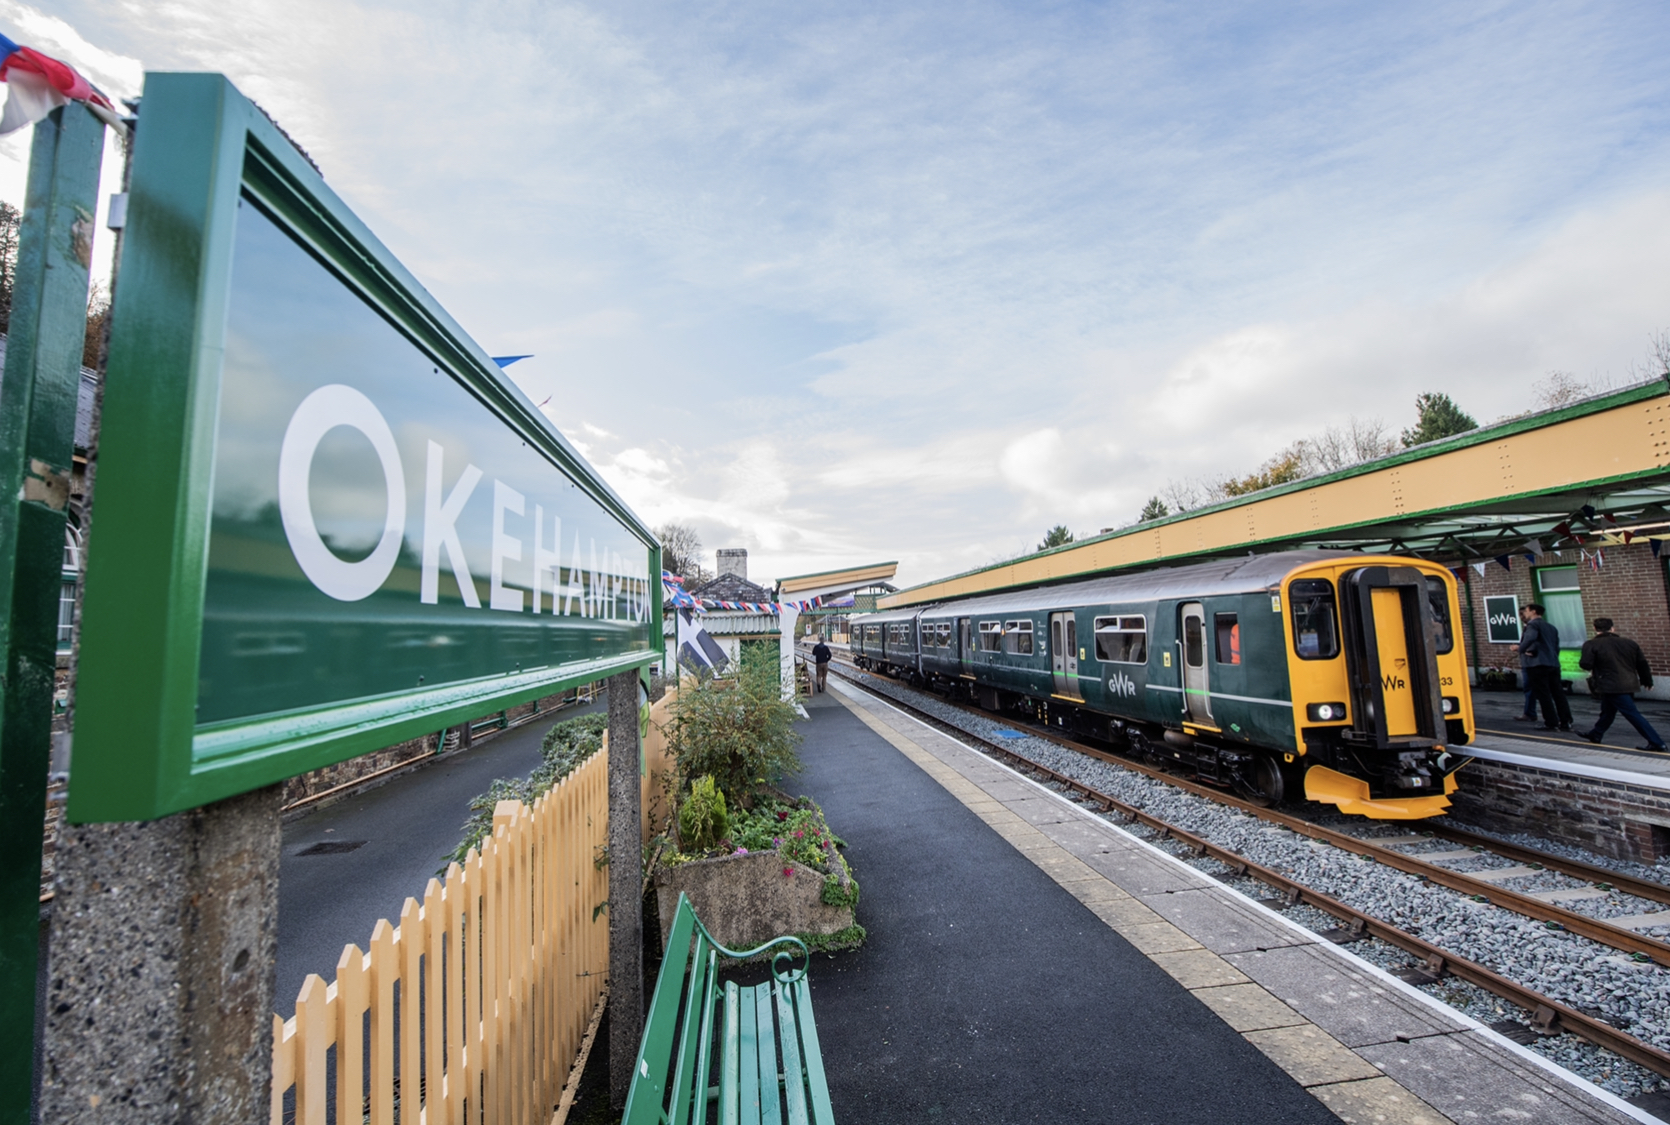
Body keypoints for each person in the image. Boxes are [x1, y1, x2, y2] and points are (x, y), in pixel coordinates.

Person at [1579, 618, 1667, 751]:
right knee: (1607, 711)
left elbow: (1586, 664)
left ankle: (1656, 742)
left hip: (1609, 684)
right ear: (1612, 628)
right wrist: (1647, 681)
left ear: (1595, 629)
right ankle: (1596, 734)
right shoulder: (1629, 643)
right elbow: (1642, 664)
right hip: (1629, 682)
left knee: (1632, 714)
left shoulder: (1592, 644)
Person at [1518, 603, 1572, 731]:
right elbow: (1555, 646)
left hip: (1537, 664)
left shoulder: (1533, 625)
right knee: (1558, 693)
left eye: (1526, 611)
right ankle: (1565, 720)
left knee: (1543, 694)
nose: (1525, 613)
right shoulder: (1551, 627)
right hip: (1552, 663)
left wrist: (1520, 648)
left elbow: (1529, 639)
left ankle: (1551, 722)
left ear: (1533, 611)